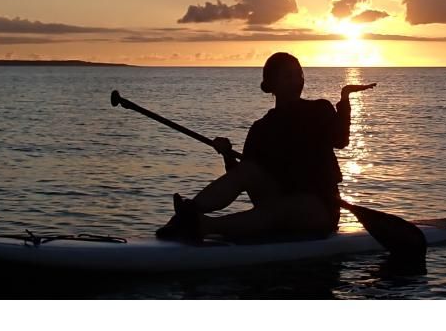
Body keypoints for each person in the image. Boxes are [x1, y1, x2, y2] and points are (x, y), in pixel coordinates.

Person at [156, 52, 376, 241]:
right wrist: (226, 155)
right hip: (276, 198)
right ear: (271, 84)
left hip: (317, 207)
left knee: (283, 208)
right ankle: (188, 213)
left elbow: (341, 141)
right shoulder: (261, 127)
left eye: (299, 74)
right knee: (249, 169)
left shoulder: (319, 109)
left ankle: (205, 226)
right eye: (289, 75)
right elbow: (242, 178)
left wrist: (345, 99)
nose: (297, 80)